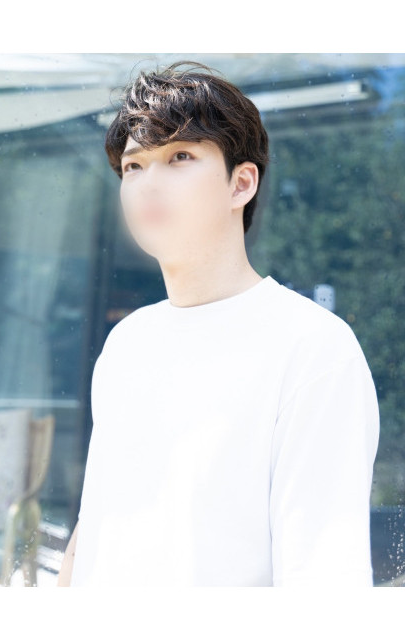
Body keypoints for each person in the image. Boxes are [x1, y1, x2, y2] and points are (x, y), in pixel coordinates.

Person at [57, 60, 380, 587]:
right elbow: (95, 525)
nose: (148, 183)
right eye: (134, 166)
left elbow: (323, 575)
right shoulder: (127, 342)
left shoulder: (312, 347)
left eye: (179, 157)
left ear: (241, 183)